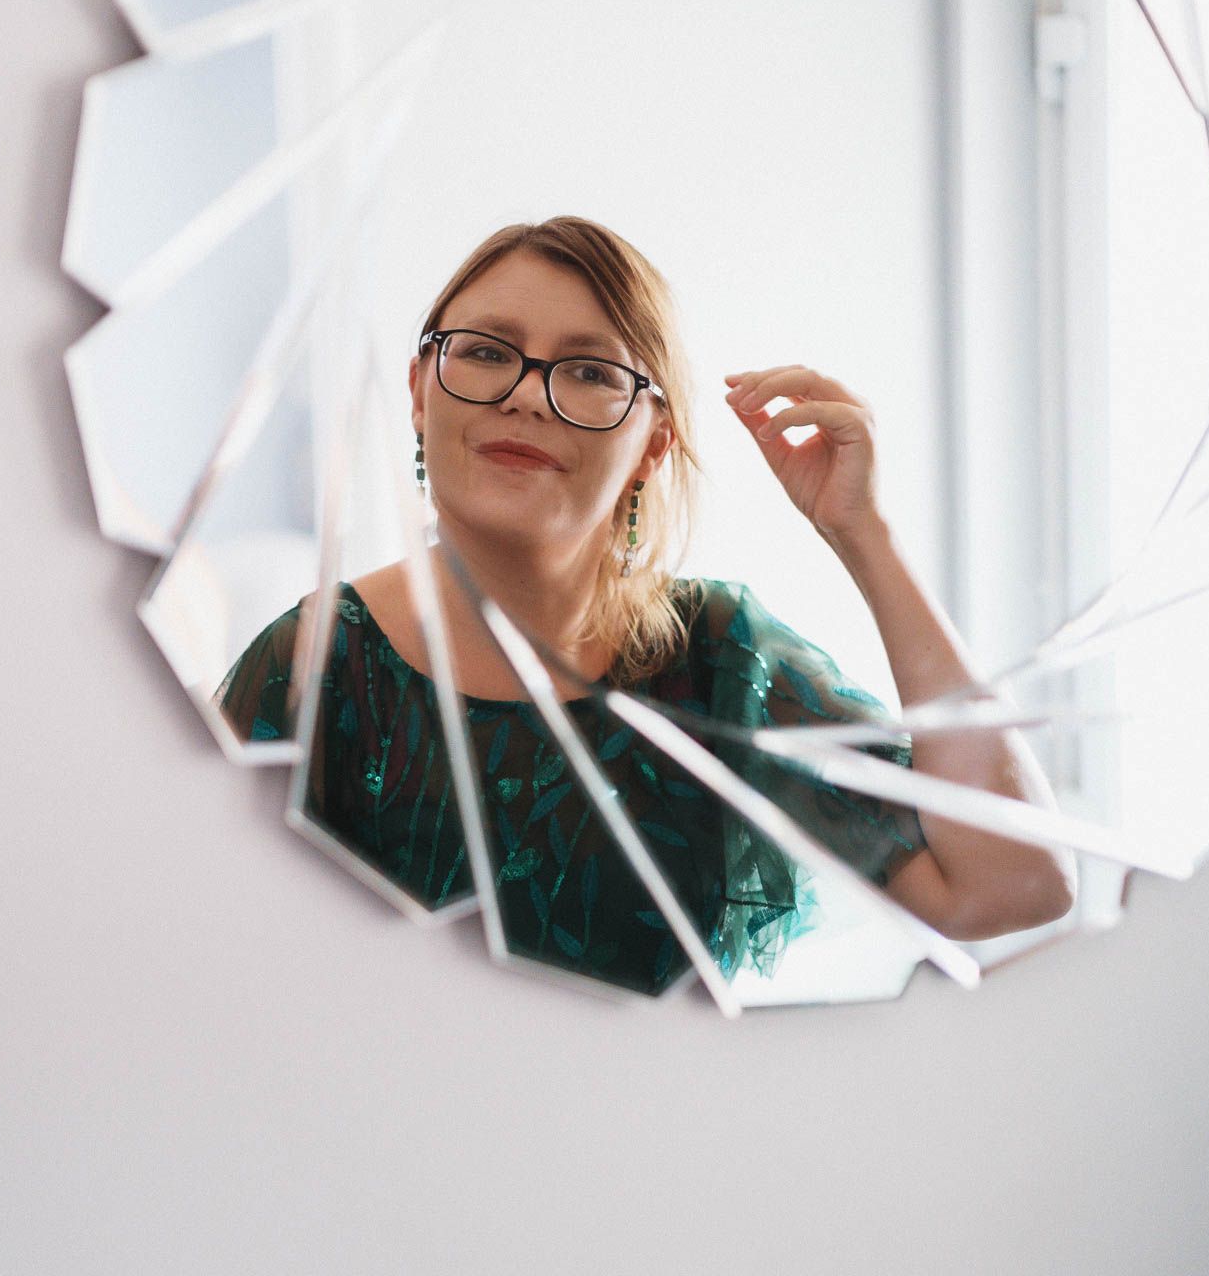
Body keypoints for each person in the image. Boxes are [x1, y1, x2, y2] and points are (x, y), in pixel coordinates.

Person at [215, 216, 1075, 997]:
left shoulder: (722, 661)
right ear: (419, 390)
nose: (522, 393)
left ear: (652, 443)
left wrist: (865, 536)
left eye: (589, 372)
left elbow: (1013, 883)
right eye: (484, 351)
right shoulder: (311, 666)